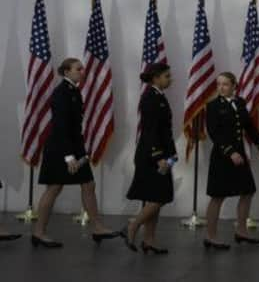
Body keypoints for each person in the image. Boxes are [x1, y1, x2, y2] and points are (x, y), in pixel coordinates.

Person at [33, 58, 120, 248]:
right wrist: (69, 156)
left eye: (82, 68)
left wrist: (79, 151)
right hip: (60, 149)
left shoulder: (73, 91)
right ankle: (39, 233)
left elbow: (74, 126)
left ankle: (97, 227)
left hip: (73, 147)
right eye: (78, 69)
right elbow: (61, 126)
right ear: (66, 72)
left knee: (88, 184)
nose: (83, 71)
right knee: (54, 188)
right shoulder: (62, 92)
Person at [203, 72, 259, 250]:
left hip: (239, 155)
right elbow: (214, 133)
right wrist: (230, 151)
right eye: (218, 84)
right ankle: (210, 236)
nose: (221, 87)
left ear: (234, 85)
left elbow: (249, 126)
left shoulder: (240, 103)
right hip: (223, 157)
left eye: (225, 84)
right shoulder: (213, 106)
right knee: (217, 196)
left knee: (248, 191)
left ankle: (241, 231)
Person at [124, 62, 177, 254]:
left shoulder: (158, 96)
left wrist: (172, 154)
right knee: (158, 197)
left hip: (160, 154)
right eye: (166, 76)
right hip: (151, 155)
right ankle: (133, 225)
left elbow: (165, 131)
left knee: (156, 198)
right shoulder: (150, 98)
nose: (170, 79)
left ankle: (149, 239)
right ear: (155, 78)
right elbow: (151, 130)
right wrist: (159, 156)